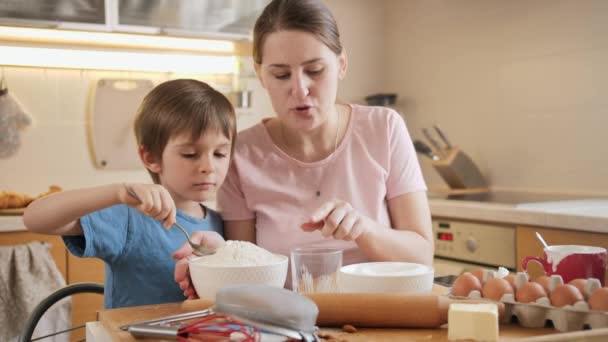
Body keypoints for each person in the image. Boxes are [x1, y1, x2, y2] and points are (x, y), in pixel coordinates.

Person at [174, 0, 433, 298]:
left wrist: (363, 228)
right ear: (260, 74)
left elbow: (422, 256)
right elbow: (245, 270)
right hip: (285, 322)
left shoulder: (384, 128)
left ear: (342, 64)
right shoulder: (241, 153)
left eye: (315, 70)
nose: (299, 89)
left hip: (378, 318)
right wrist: (215, 263)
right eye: (281, 75)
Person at [23, 79, 234, 308]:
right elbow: (34, 218)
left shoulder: (220, 225)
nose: (209, 167)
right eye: (191, 154)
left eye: (220, 154)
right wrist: (118, 192)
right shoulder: (128, 219)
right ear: (151, 157)